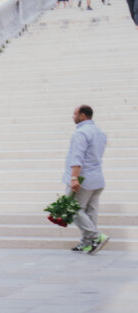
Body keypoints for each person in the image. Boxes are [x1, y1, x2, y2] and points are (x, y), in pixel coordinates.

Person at [65, 105, 108, 253]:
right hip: (97, 178)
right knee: (90, 212)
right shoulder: (100, 133)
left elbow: (77, 157)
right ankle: (87, 242)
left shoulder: (81, 133)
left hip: (83, 178)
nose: (73, 116)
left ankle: (96, 236)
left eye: (75, 113)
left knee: (72, 209)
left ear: (83, 116)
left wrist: (74, 178)